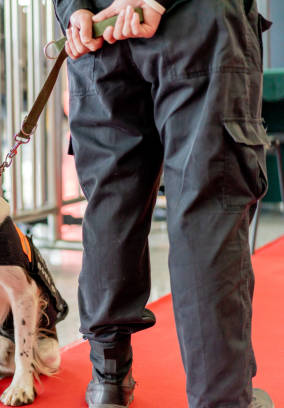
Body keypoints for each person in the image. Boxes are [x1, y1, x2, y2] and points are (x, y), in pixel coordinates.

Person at [53, 0, 274, 407]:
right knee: (207, 206)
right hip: (195, 22)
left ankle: (109, 380)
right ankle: (220, 400)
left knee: (111, 203)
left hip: (98, 34)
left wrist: (75, 10)